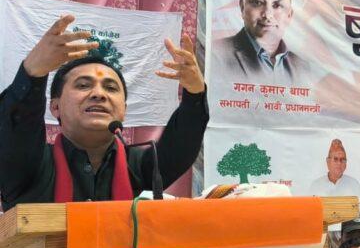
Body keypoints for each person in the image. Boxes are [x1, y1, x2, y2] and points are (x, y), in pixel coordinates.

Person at [0, 15, 208, 211]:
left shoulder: (142, 167)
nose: (99, 94)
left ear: (124, 111)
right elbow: (17, 127)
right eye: (83, 85)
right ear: (55, 107)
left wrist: (195, 94)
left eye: (110, 88)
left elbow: (181, 145)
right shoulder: (28, 164)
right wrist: (33, 72)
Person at [214, 0, 309, 82]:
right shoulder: (216, 54)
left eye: (277, 5)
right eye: (257, 2)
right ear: (242, 8)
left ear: (289, 15)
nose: (267, 15)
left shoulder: (303, 68)